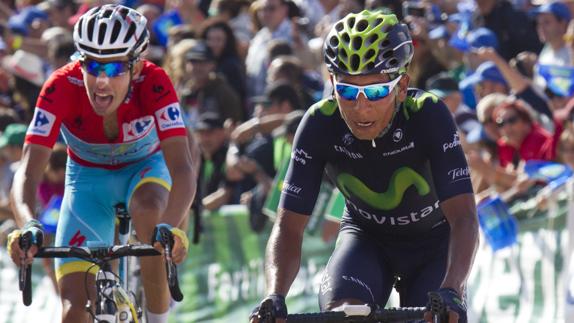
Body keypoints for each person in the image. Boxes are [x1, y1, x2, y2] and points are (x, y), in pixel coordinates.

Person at [250, 10, 478, 323]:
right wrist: (274, 295)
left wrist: (452, 288)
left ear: (400, 87)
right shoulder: (319, 124)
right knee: (344, 314)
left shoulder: (428, 114)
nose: (361, 106)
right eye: (346, 90)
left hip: (433, 245)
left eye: (374, 92)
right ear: (332, 84)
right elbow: (289, 226)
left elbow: (464, 216)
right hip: (366, 238)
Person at [6, 5, 196, 323]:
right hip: (87, 182)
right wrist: (27, 223)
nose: (101, 81)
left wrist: (171, 226)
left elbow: (183, 168)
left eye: (115, 68)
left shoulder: (155, 82)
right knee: (74, 312)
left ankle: (158, 318)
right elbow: (27, 170)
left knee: (150, 211)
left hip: (144, 171)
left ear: (136, 68)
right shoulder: (60, 86)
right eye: (92, 65)